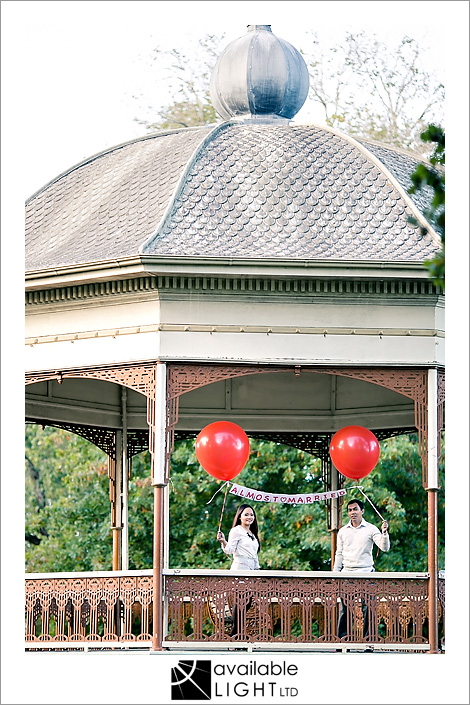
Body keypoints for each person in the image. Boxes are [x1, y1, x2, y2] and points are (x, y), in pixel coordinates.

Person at [333, 498, 390, 644]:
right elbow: (339, 554)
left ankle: (369, 643)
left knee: (369, 609)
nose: (353, 512)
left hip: (366, 573)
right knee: (345, 610)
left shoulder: (371, 529)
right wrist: (334, 574)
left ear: (362, 511)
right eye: (350, 510)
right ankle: (343, 642)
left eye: (355, 509)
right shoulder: (343, 531)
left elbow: (385, 548)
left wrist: (384, 533)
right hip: (347, 574)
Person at [217, 504, 260, 636]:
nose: (249, 517)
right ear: (240, 516)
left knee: (247, 603)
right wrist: (223, 540)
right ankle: (236, 635)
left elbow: (255, 554)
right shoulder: (236, 530)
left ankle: (235, 635)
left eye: (251, 514)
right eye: (246, 514)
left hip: (251, 570)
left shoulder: (252, 533)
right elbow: (229, 550)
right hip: (240, 567)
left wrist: (258, 570)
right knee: (241, 601)